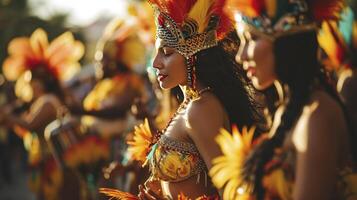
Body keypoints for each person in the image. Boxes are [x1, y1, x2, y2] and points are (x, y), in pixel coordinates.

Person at [100, 0, 263, 199]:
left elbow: (230, 192)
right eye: (157, 53)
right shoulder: (188, 105)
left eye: (167, 53)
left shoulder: (202, 108)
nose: (156, 63)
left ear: (192, 56)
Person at [210, 0, 357, 199]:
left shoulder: (317, 116)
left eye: (252, 39)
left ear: (285, 42)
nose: (240, 56)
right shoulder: (286, 110)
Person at [0, 28, 84, 200]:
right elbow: (26, 128)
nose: (28, 85)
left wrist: (7, 116)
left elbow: (30, 124)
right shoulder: (41, 101)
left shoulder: (47, 101)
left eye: (31, 81)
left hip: (54, 161)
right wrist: (10, 120)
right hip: (46, 161)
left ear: (41, 82)